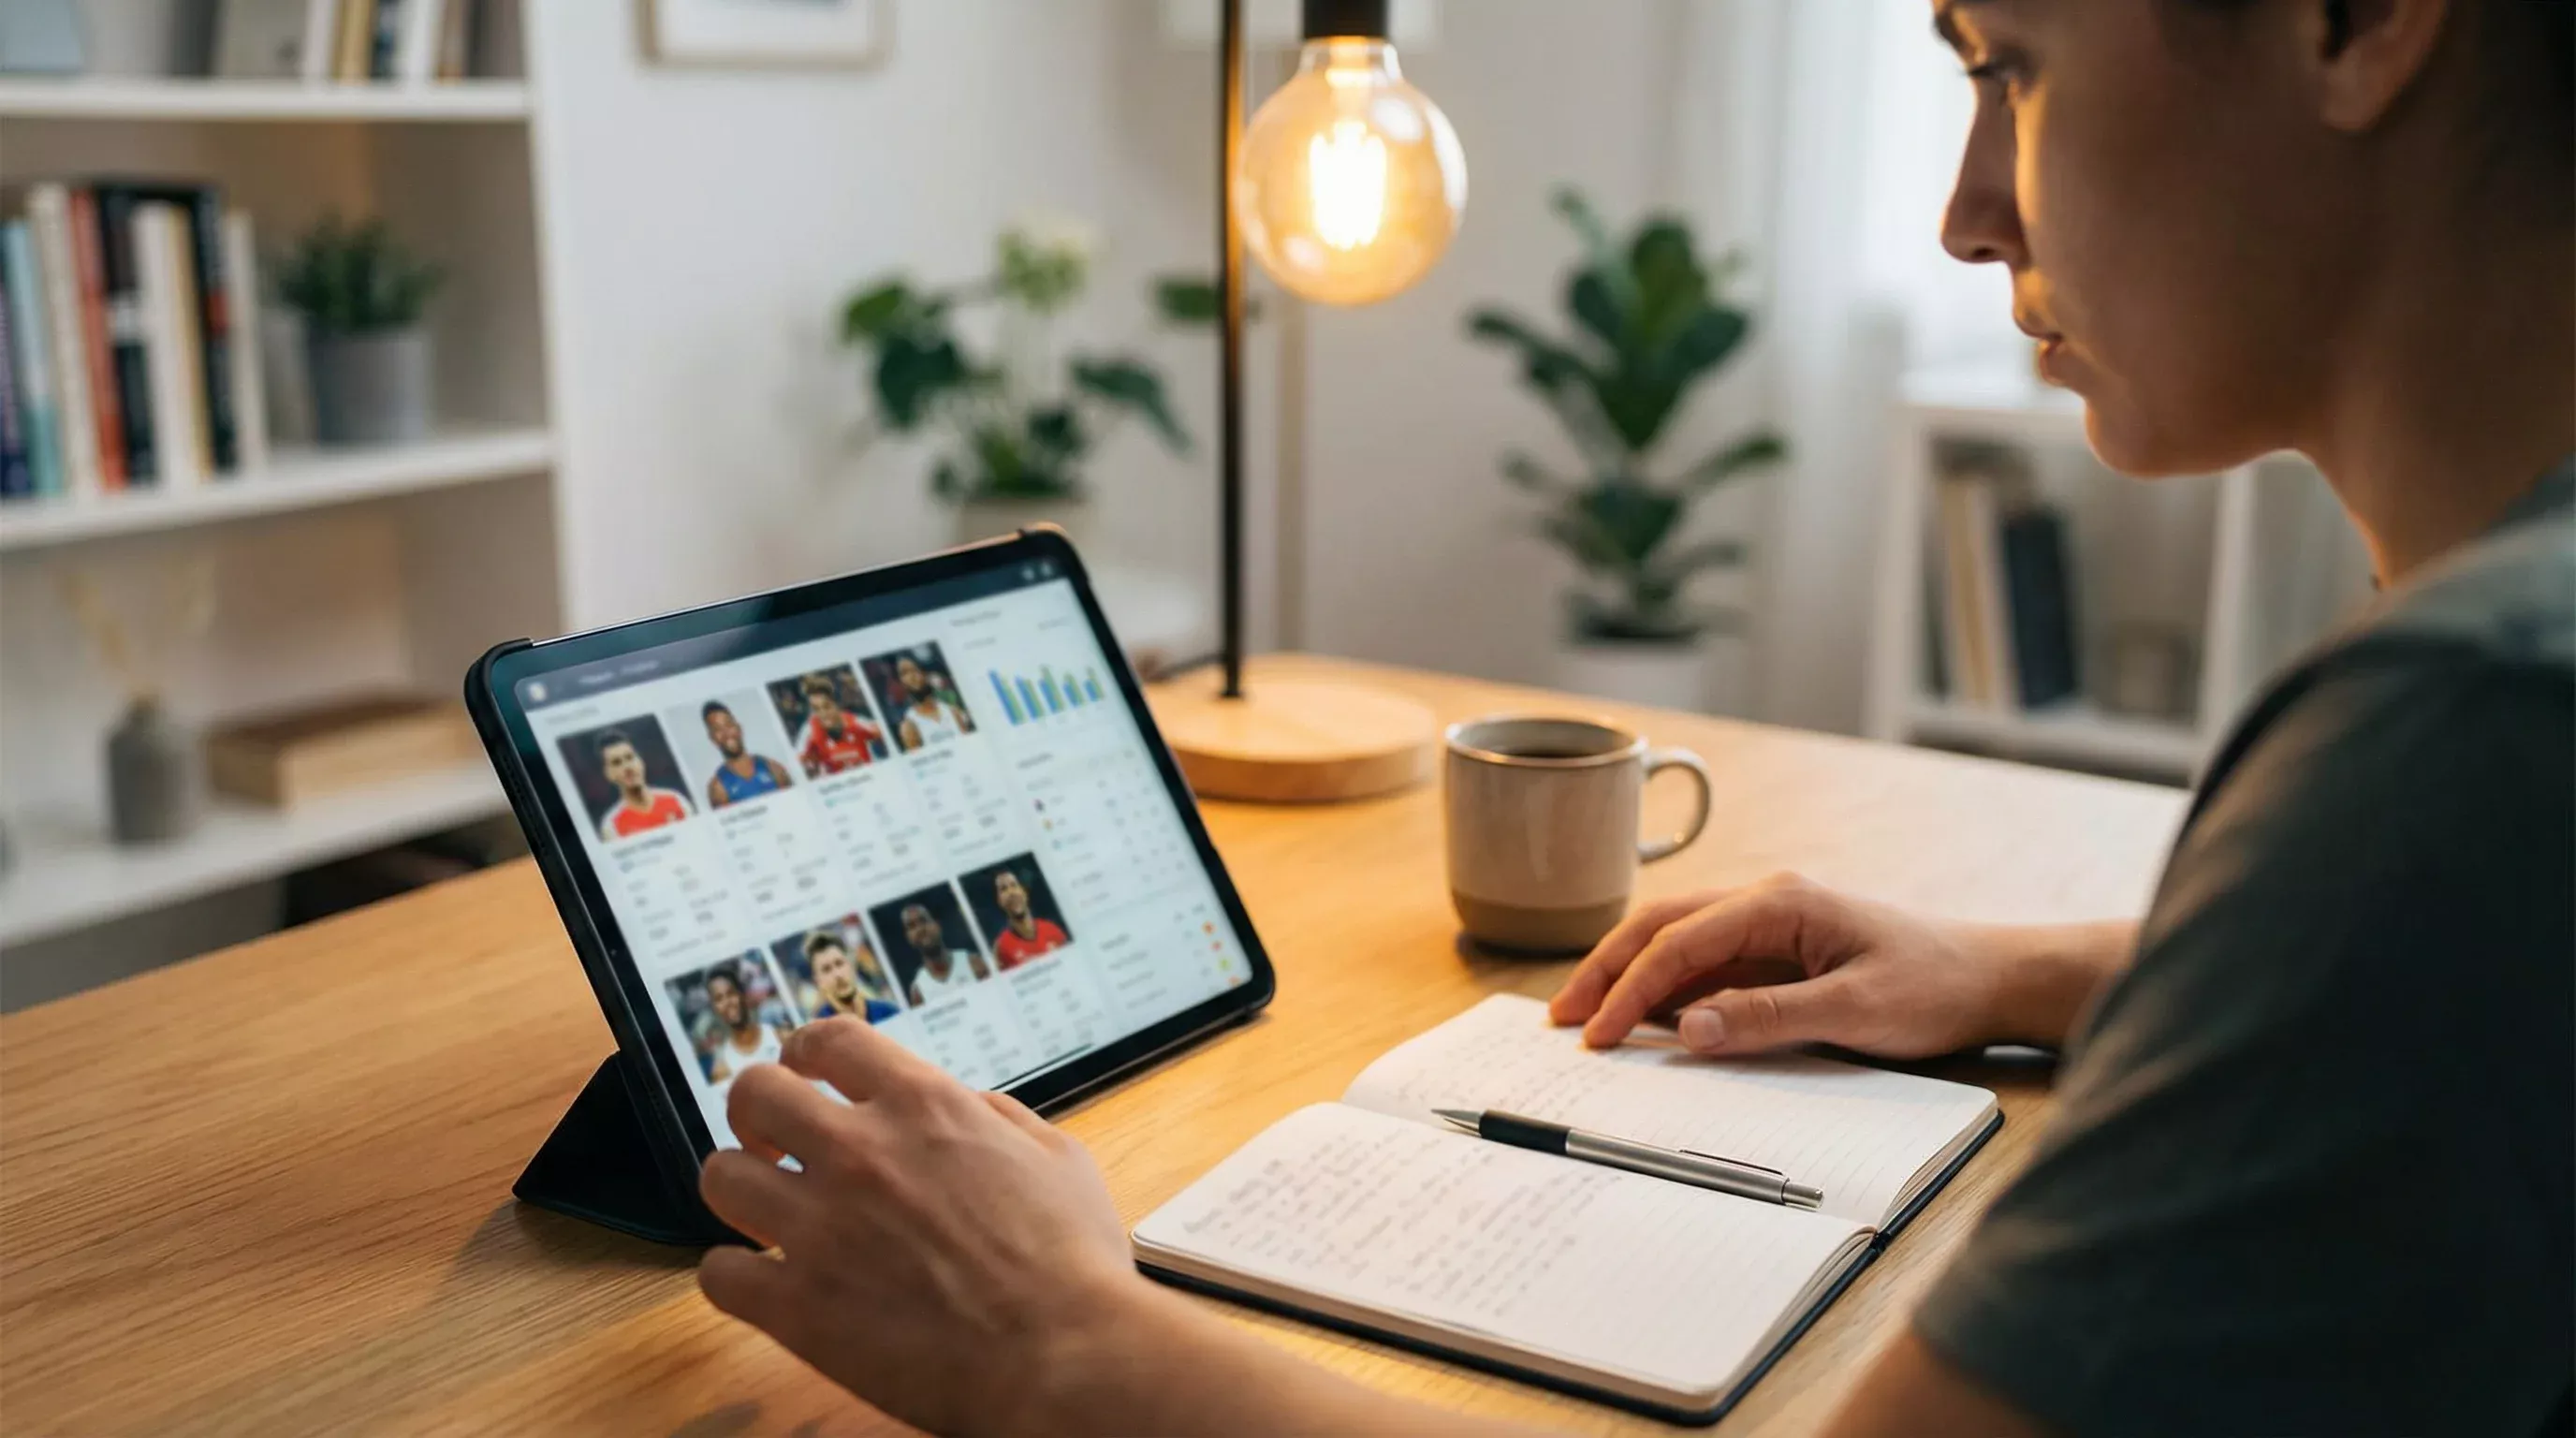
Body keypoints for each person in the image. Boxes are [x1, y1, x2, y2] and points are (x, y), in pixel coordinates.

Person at [691, 1, 2573, 1433]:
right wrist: (2020, 973)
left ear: (2355, 19)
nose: (1960, 209)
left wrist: (1059, 1339)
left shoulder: (2461, 733)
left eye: (2007, 66)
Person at [591, 728, 691, 841]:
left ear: (640, 761)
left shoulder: (676, 800)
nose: (627, 767)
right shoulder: (611, 826)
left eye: (630, 757)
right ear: (608, 774)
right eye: (617, 763)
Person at [695, 965, 788, 1084]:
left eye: (731, 993)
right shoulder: (722, 1071)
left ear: (742, 994)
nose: (727, 1003)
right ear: (714, 1008)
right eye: (719, 999)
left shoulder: (780, 1038)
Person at [700, 701, 794, 809]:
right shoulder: (718, 789)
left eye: (728, 725)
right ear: (712, 738)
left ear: (739, 728)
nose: (726, 733)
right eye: (718, 729)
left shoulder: (774, 769)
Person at [798, 931, 900, 1025]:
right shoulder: (819, 1034)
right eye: (826, 970)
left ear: (851, 965)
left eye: (839, 963)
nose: (837, 975)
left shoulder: (888, 1012)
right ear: (817, 981)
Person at [896, 902, 988, 1005]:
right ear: (908, 937)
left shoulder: (973, 963)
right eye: (912, 926)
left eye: (923, 921)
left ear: (937, 925)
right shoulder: (918, 991)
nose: (920, 929)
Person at [793, 673, 883, 778]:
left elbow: (883, 731)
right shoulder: (809, 731)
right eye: (816, 709)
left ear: (837, 705)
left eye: (827, 707)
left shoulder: (855, 722)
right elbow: (797, 766)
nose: (823, 714)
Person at [988, 868, 1070, 971]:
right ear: (999, 901)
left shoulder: (1053, 929)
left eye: (1014, 885)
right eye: (1003, 889)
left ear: (1024, 892)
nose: (1011, 892)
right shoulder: (1001, 948)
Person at [888, 654, 973, 750]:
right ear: (901, 682)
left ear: (924, 673)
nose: (912, 676)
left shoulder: (952, 711)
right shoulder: (909, 725)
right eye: (904, 673)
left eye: (914, 669)